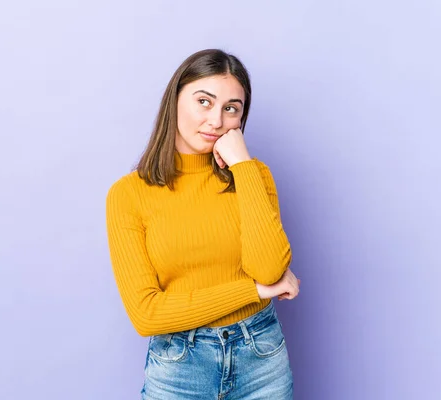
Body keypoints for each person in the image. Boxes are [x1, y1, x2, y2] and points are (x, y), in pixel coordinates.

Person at [106, 48, 300, 399]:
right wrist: (253, 291)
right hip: (179, 368)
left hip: (261, 359)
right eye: (204, 102)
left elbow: (270, 269)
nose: (215, 121)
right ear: (175, 100)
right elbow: (146, 314)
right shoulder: (128, 194)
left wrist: (243, 165)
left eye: (231, 109)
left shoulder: (255, 177)